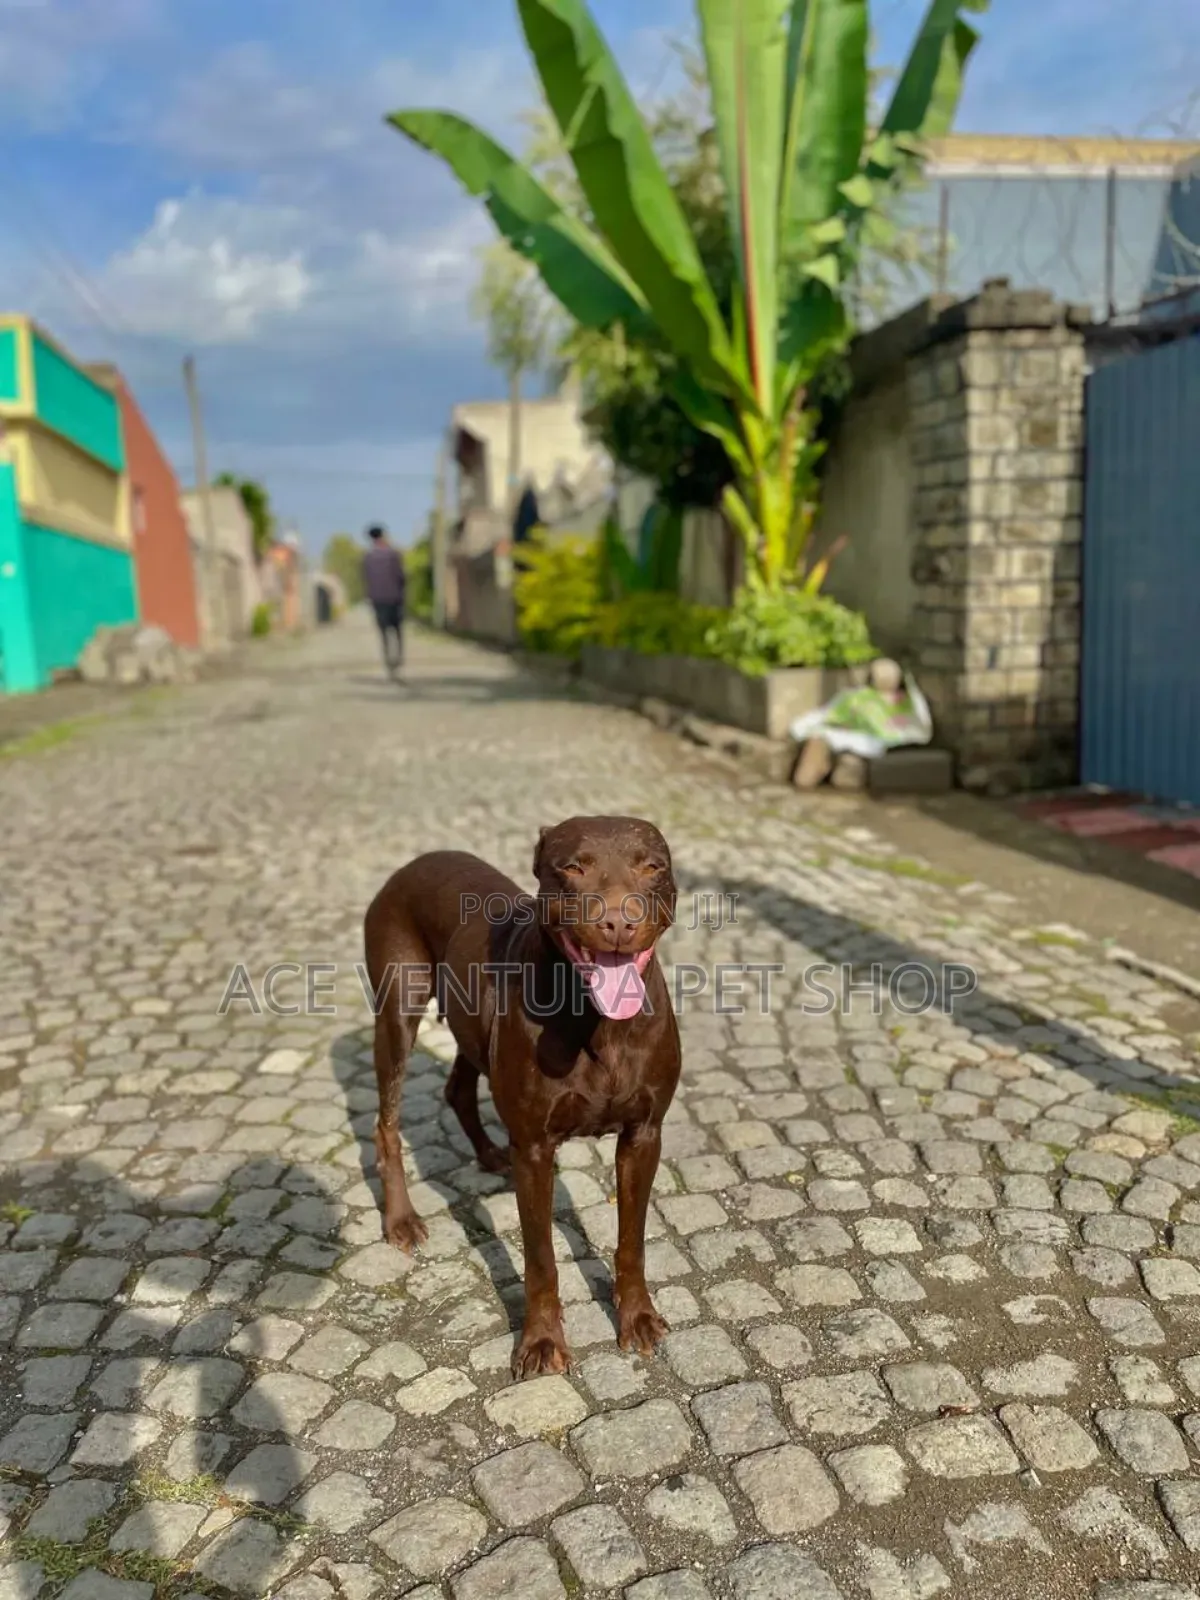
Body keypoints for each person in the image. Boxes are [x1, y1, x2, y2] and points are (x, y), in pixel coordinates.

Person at [361, 524, 406, 678]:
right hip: (394, 597)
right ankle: (398, 658)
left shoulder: (368, 557)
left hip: (378, 599)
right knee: (398, 630)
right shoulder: (393, 554)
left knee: (384, 633)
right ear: (383, 535)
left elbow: (366, 579)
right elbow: (401, 576)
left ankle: (388, 662)